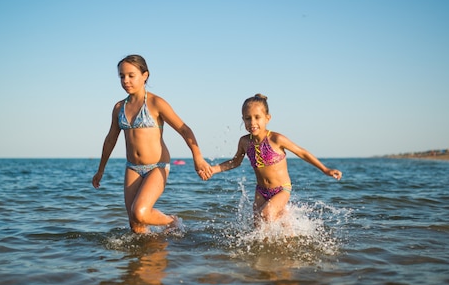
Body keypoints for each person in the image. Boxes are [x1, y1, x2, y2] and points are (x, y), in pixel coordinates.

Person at [92, 55, 212, 233]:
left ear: (145, 75)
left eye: (131, 75)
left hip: (157, 166)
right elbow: (110, 139)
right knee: (135, 225)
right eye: (122, 76)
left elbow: (184, 130)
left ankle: (171, 221)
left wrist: (198, 157)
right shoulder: (119, 108)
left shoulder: (156, 103)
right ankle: (151, 253)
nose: (126, 80)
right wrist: (101, 169)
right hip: (132, 168)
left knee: (139, 212)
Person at [210, 94, 342, 224]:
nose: (252, 122)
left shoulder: (276, 139)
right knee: (258, 224)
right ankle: (284, 228)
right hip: (261, 190)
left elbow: (302, 153)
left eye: (257, 117)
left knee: (266, 215)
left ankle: (286, 223)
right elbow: (235, 162)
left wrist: (325, 169)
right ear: (243, 119)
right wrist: (213, 170)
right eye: (248, 118)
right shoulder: (244, 142)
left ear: (267, 118)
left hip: (282, 189)